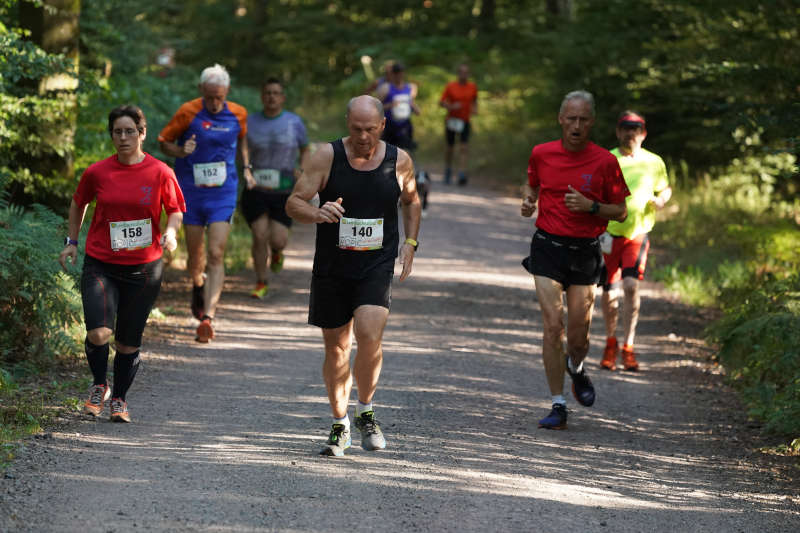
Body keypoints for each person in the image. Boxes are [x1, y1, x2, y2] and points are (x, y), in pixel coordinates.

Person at [285, 95, 421, 457]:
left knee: (369, 333)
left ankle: (367, 410)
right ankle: (340, 423)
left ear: (382, 126)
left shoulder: (399, 160)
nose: (363, 136)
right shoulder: (326, 156)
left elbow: (411, 200)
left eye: (370, 129)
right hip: (333, 266)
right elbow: (294, 202)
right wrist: (317, 212)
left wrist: (410, 242)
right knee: (337, 348)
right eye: (356, 129)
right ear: (348, 124)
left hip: (375, 264)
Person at [58, 105, 185, 423]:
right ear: (112, 135)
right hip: (101, 262)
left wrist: (171, 233)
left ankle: (119, 399)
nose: (124, 137)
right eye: (118, 131)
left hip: (144, 268)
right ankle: (99, 385)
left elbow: (176, 210)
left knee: (128, 342)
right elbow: (78, 204)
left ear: (142, 133)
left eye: (130, 131)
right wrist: (72, 242)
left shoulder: (160, 172)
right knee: (100, 333)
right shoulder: (98, 172)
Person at [521, 90, 629, 430]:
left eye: (583, 119)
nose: (577, 125)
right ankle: (558, 403)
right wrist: (528, 201)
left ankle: (577, 368)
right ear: (561, 119)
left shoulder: (605, 162)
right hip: (547, 247)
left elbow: (621, 212)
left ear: (592, 122)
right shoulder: (542, 153)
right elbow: (532, 186)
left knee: (579, 336)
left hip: (585, 251)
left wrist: (592, 207)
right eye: (571, 119)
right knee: (553, 326)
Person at [158, 64, 252, 342]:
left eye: (219, 97)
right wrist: (180, 150)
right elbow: (164, 142)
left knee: (216, 252)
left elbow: (243, 139)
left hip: (223, 192)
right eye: (209, 96)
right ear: (201, 91)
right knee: (196, 256)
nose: (214, 103)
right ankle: (198, 283)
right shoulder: (188, 112)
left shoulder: (238, 113)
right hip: (191, 192)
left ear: (227, 93)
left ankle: (208, 317)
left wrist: (247, 165)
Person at [599, 111, 671, 371]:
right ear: (618, 132)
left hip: (638, 233)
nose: (630, 133)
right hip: (608, 234)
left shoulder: (654, 162)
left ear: (643, 134)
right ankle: (610, 344)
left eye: (636, 129)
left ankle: (628, 346)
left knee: (630, 286)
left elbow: (664, 187)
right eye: (625, 128)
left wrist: (662, 199)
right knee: (608, 293)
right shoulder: (607, 159)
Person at [240, 78, 309, 298]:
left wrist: (303, 170)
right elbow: (243, 148)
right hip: (257, 188)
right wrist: (247, 169)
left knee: (278, 240)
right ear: (262, 96)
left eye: (276, 93)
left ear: (282, 97)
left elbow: (305, 149)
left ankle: (277, 253)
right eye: (267, 92)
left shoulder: (294, 122)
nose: (271, 96)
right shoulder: (250, 121)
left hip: (284, 189)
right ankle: (261, 282)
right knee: (259, 235)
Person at [440, 63, 478, 186]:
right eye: (461, 72)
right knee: (450, 148)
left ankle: (462, 172)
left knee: (464, 148)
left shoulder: (472, 87)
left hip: (465, 120)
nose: (464, 75)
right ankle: (448, 170)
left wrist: (475, 109)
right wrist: (450, 106)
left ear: (469, 74)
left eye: (466, 72)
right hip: (452, 120)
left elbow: (475, 101)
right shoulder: (451, 86)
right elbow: (441, 102)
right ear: (458, 73)